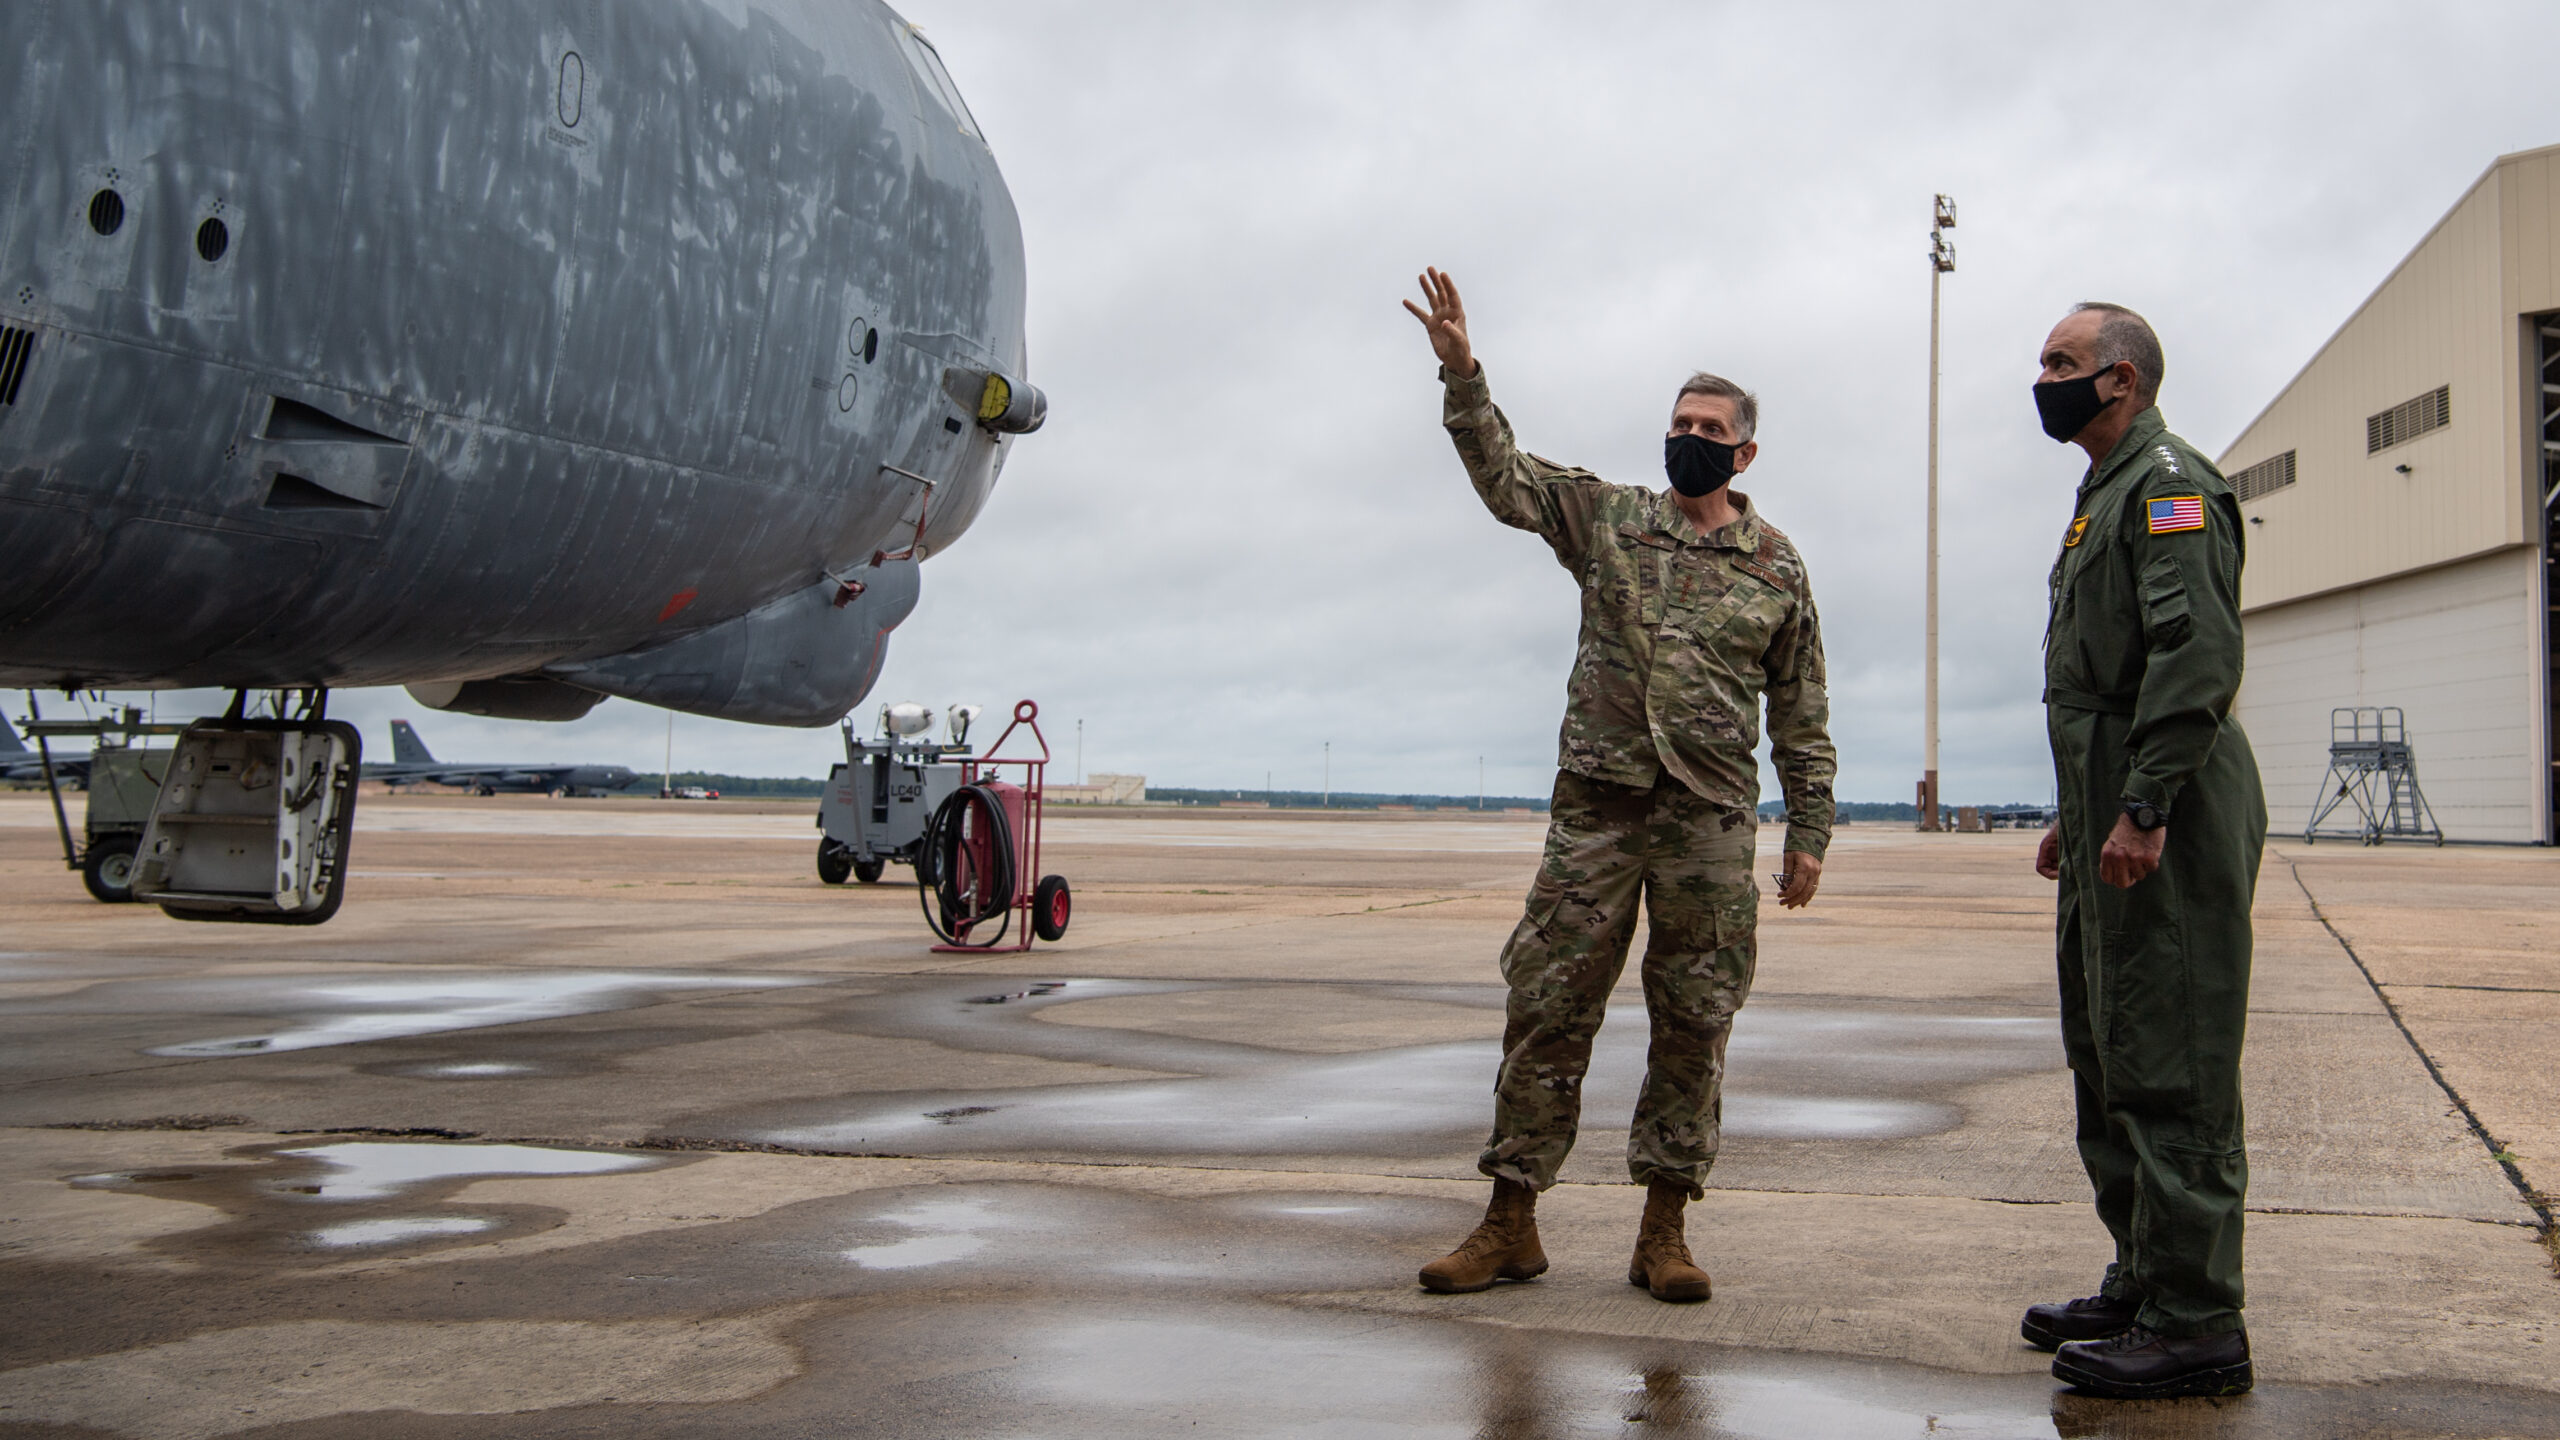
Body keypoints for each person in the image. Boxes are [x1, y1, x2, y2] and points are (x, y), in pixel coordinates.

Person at [1402, 267, 1835, 1303]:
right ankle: (1510, 1222)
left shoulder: (1777, 568)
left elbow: (1801, 708)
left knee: (1695, 1021)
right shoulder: (1610, 519)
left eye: (1708, 428)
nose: (1688, 437)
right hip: (1596, 814)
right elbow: (1507, 479)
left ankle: (1663, 1234)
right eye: (1678, 422)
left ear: (1744, 452)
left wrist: (1809, 830)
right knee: (1546, 1006)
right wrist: (1463, 374)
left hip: (1708, 827)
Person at [2022, 302, 2265, 1398]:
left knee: (2172, 1059)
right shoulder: (2106, 493)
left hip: (2172, 815)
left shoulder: (2170, 487)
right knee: (2110, 1049)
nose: (2043, 380)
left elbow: (2192, 654)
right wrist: (2079, 814)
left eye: (2062, 362)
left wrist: (2146, 804)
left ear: (2120, 379)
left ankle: (2198, 1321)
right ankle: (2142, 1281)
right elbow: (2098, 679)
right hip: (2113, 809)